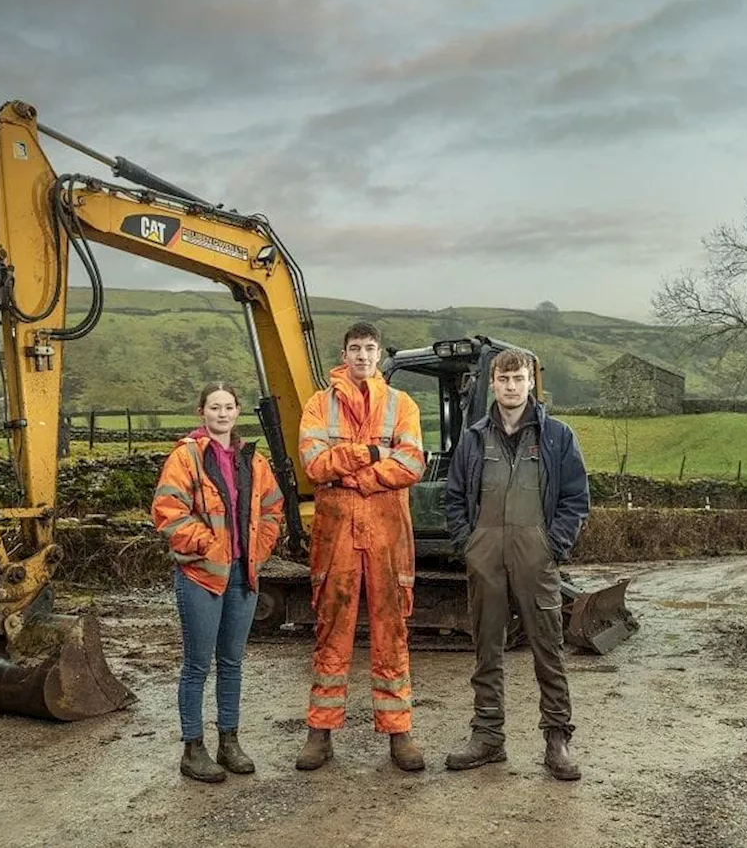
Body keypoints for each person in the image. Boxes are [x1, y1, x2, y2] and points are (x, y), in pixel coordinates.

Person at [443, 349, 589, 780]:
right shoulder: (473, 437)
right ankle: (488, 737)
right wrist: (467, 544)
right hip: (485, 555)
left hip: (535, 556)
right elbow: (454, 497)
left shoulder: (557, 437)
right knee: (486, 648)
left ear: (531, 384)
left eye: (518, 378)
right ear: (493, 383)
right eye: (504, 379)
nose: (511, 386)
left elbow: (575, 499)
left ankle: (557, 739)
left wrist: (552, 546)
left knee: (548, 648)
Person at [294, 321, 428, 772]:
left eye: (370, 349)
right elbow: (313, 463)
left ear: (378, 354)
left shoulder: (401, 404)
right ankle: (320, 731)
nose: (363, 356)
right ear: (344, 353)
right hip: (336, 532)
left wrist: (356, 474)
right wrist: (370, 454)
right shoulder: (318, 404)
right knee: (331, 629)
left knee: (392, 630)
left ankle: (399, 733)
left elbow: (411, 461)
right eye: (356, 349)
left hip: (387, 529)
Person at [151, 381, 285, 783]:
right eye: (214, 407)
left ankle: (230, 742)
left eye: (228, 407)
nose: (222, 414)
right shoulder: (186, 457)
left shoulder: (251, 459)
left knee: (232, 663)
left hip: (243, 576)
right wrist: (210, 545)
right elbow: (168, 510)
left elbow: (272, 507)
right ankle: (193, 749)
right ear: (201, 412)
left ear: (237, 412)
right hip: (201, 577)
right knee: (196, 664)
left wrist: (257, 551)